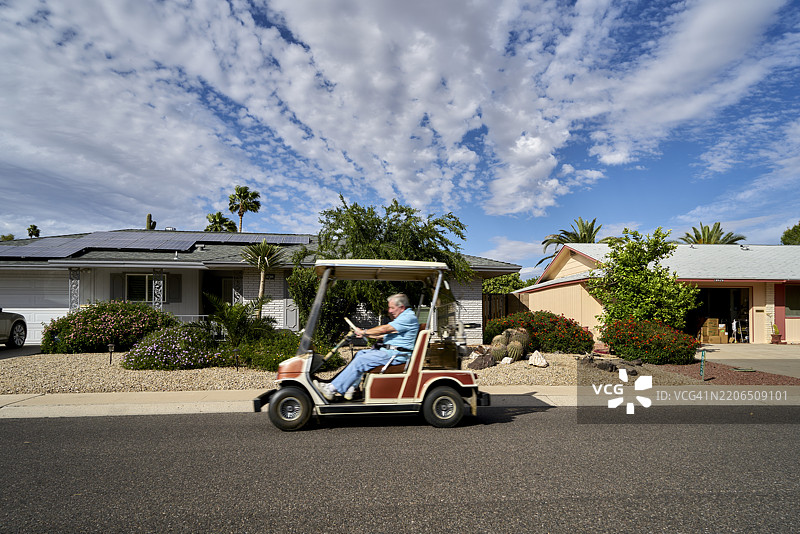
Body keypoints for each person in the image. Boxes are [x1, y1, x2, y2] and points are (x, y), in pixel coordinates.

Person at [317, 293, 419, 401]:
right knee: (360, 354)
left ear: (402, 307)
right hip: (390, 352)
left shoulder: (407, 317)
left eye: (392, 308)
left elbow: (384, 329)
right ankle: (351, 388)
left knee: (361, 361)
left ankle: (331, 389)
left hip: (396, 355)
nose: (389, 311)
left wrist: (364, 332)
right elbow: (382, 335)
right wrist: (364, 334)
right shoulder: (403, 317)